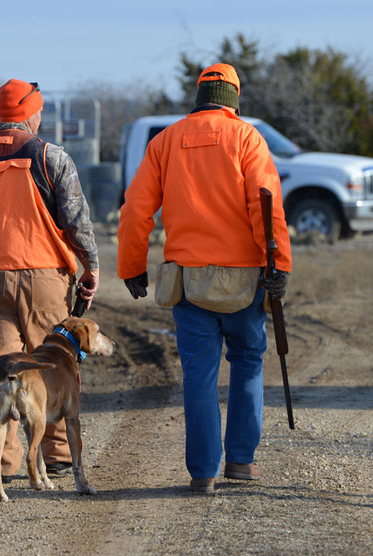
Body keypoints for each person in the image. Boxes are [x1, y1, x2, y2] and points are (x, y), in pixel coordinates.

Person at [116, 63, 292, 493]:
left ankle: (203, 473)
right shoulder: (247, 138)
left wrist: (131, 266)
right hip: (246, 283)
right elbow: (265, 207)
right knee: (248, 363)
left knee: (199, 375)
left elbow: (136, 209)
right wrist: (279, 266)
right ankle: (242, 462)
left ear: (199, 96)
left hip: (188, 284)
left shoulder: (166, 141)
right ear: (234, 98)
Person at [0, 79, 100, 482]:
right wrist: (90, 266)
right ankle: (59, 455)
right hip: (47, 278)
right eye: (39, 111)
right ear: (30, 113)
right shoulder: (51, 157)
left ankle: (2, 463)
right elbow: (77, 221)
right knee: (52, 362)